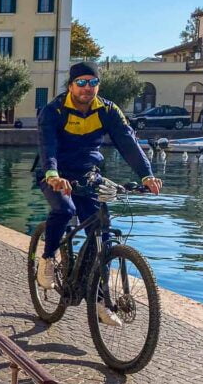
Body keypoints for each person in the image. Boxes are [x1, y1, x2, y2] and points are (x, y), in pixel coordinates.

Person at [35, 62, 162, 324]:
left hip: (88, 174)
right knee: (65, 209)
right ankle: (47, 258)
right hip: (55, 173)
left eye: (93, 83)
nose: (87, 88)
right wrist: (52, 174)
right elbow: (47, 145)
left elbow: (128, 142)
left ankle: (103, 302)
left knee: (103, 236)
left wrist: (146, 174)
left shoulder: (107, 110)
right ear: (70, 86)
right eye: (81, 83)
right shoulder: (54, 110)